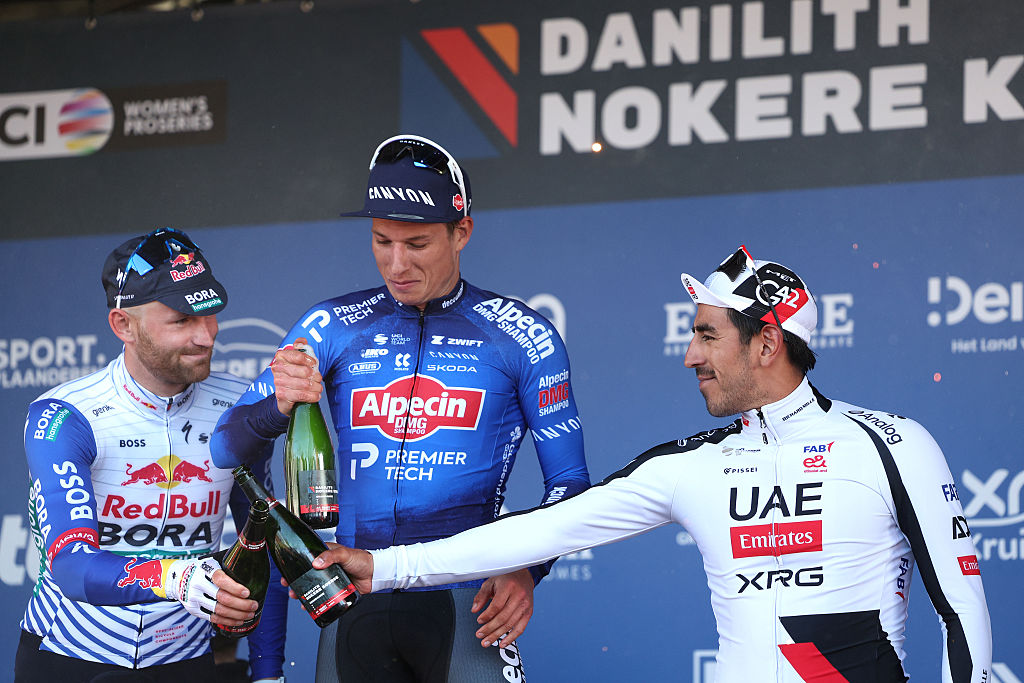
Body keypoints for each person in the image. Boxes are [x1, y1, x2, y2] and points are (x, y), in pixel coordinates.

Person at [315, 247, 993, 682]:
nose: (690, 354)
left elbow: (960, 607)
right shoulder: (694, 465)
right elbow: (545, 530)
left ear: (767, 343)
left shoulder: (891, 443)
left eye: (707, 334)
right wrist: (388, 566)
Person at [211, 133, 591, 682]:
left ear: (462, 232)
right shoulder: (331, 326)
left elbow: (571, 486)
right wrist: (277, 403)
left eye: (416, 244)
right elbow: (226, 447)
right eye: (381, 240)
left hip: (468, 605)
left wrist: (529, 568)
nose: (396, 263)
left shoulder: (522, 336)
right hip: (350, 601)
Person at [15, 228, 288, 683]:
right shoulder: (65, 416)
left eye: (211, 314)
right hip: (70, 655)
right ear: (124, 326)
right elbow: (73, 566)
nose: (206, 336)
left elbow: (263, 545)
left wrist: (268, 673)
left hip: (186, 661)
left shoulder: (239, 407)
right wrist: (177, 578)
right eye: (182, 320)